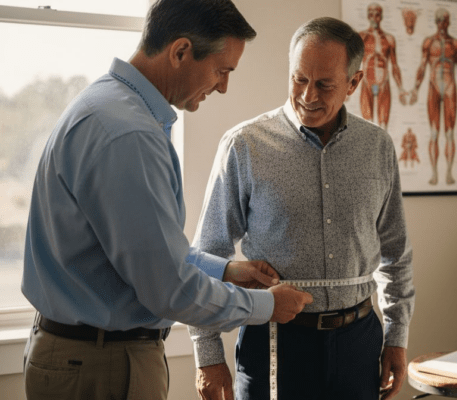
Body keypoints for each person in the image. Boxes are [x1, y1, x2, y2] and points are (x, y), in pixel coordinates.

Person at [21, 1, 312, 399]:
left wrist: (225, 270)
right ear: (180, 52)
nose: (223, 86)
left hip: (84, 357)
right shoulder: (129, 136)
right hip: (102, 367)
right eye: (221, 70)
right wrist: (264, 306)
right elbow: (168, 288)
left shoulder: (106, 106)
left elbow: (141, 254)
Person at [189, 17, 415, 400]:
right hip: (274, 341)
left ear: (354, 83)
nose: (308, 95)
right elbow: (207, 255)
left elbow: (396, 253)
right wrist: (207, 355)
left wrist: (397, 335)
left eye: (325, 84)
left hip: (359, 343)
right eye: (299, 79)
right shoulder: (244, 146)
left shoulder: (377, 148)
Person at [409, 8, 457, 185]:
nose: (442, 23)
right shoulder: (429, 42)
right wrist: (416, 88)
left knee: (449, 134)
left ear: (448, 22)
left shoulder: (455, 44)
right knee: (433, 133)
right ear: (435, 21)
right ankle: (434, 174)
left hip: (450, 88)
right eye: (439, 20)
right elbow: (422, 66)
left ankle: (448, 173)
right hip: (433, 88)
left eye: (444, 20)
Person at [358, 3, 408, 131]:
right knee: (367, 127)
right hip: (366, 82)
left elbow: (395, 65)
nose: (374, 18)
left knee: (383, 129)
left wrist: (401, 89)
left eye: (377, 15)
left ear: (381, 17)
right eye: (371, 15)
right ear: (368, 16)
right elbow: (353, 63)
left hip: (384, 84)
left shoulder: (389, 39)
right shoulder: (362, 37)